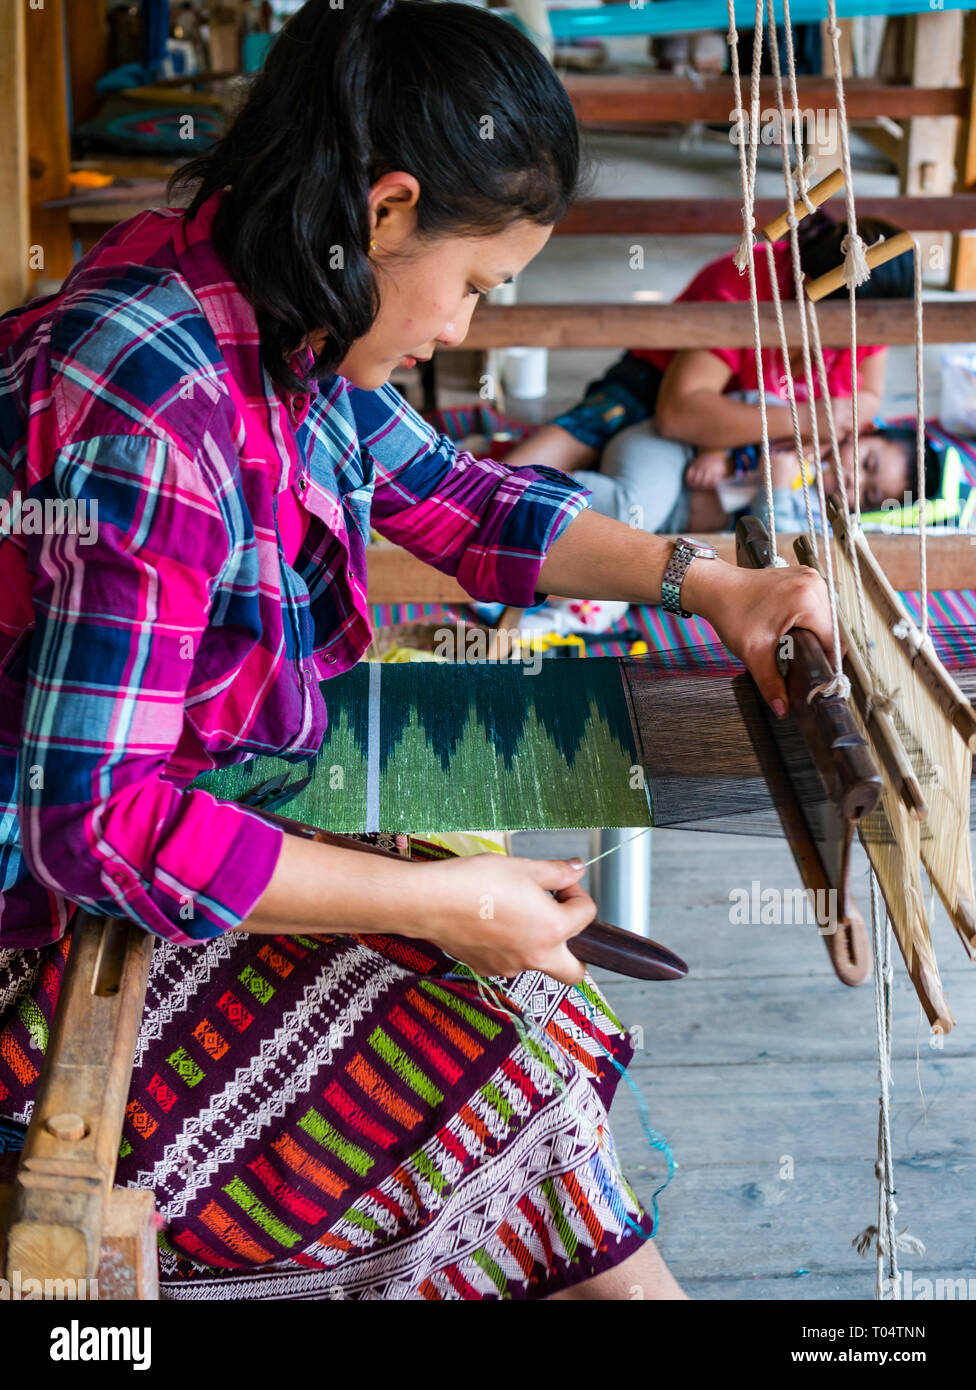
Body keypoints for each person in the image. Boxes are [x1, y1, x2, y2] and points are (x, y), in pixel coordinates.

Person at [0, 0, 835, 1302]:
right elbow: (93, 826)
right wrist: (434, 901)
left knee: (533, 910)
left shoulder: (270, 308)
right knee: (505, 1053)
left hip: (190, 790)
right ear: (388, 211)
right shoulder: (152, 404)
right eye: (479, 285)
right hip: (47, 927)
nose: (462, 327)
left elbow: (462, 501)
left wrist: (714, 582)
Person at [503, 212, 913, 497]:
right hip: (653, 387)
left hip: (749, 430)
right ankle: (480, 496)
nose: (855, 350)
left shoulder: (866, 308)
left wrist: (837, 423)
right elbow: (680, 413)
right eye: (841, 337)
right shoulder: (745, 285)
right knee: (550, 458)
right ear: (807, 287)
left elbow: (868, 398)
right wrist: (809, 419)